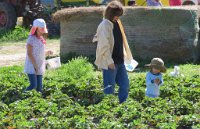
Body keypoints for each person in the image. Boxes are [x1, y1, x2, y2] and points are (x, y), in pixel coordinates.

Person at [94, 0, 133, 103]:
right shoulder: (105, 25)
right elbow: (103, 46)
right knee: (109, 88)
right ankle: (108, 109)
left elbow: (121, 41)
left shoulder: (117, 23)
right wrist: (109, 61)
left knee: (125, 85)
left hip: (120, 61)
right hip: (110, 62)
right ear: (111, 13)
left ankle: (122, 105)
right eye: (117, 15)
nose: (118, 17)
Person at [24, 19, 53, 93]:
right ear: (36, 28)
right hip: (32, 65)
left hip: (39, 65)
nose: (43, 30)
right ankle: (23, 96)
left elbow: (40, 52)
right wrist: (35, 66)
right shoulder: (31, 39)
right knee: (33, 85)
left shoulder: (41, 39)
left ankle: (37, 102)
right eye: (41, 28)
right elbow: (29, 54)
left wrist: (48, 52)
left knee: (39, 87)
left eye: (43, 28)